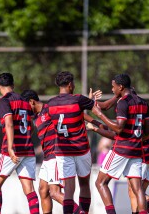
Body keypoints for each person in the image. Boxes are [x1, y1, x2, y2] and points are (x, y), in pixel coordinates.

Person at [92, 73, 149, 214]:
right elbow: (146, 131)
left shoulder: (124, 102)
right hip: (136, 150)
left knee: (100, 182)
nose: (112, 89)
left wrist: (99, 115)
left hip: (121, 149)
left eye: (113, 87)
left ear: (121, 86)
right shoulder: (143, 103)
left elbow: (118, 127)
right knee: (138, 189)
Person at [21, 89, 80, 214]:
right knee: (43, 190)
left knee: (54, 192)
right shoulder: (35, 117)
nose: (25, 110)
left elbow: (67, 114)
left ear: (31, 102)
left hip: (56, 155)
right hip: (47, 157)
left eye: (26, 106)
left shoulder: (49, 109)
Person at [46, 71, 96, 214]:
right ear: (69, 85)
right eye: (73, 83)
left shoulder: (51, 104)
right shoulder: (78, 99)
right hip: (81, 149)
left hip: (63, 151)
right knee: (84, 184)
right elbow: (98, 109)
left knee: (68, 189)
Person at [0, 73, 39, 214]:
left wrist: (10, 148)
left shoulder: (4, 101)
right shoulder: (24, 101)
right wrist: (27, 138)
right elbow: (31, 124)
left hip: (12, 150)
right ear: (13, 85)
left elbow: (9, 123)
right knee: (29, 189)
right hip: (28, 150)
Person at [128, 123, 149, 214]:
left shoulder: (134, 118)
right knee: (140, 192)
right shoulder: (142, 116)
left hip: (142, 155)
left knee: (134, 191)